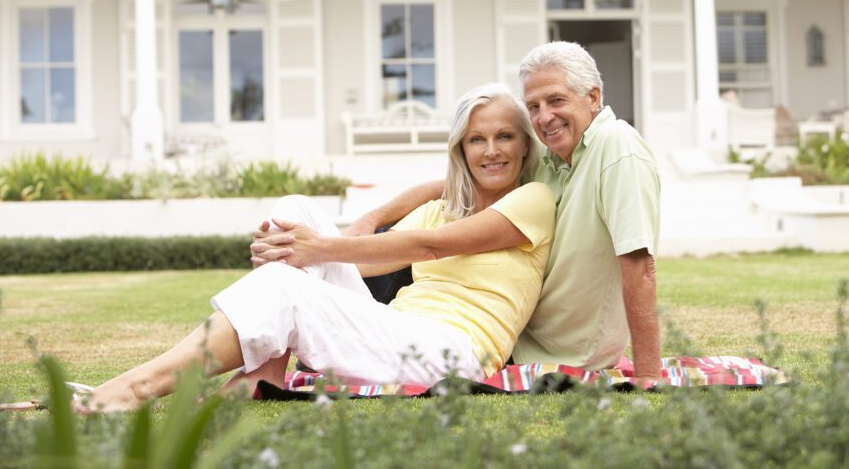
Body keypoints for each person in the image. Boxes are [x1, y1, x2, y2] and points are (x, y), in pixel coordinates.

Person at [81, 83, 555, 412]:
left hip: (454, 353)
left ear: (525, 145)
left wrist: (310, 254)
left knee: (288, 283)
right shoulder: (446, 207)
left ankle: (135, 387)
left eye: (504, 136)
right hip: (401, 329)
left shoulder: (532, 201)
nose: (491, 150)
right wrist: (293, 249)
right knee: (295, 209)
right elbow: (363, 258)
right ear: (461, 149)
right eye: (477, 139)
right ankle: (263, 374)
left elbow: (430, 247)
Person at [253, 42, 663, 382]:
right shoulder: (554, 161)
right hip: (504, 337)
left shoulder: (614, 145)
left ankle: (278, 350)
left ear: (593, 96)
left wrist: (649, 374)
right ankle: (269, 374)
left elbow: (639, 262)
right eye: (534, 106)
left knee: (304, 270)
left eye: (556, 100)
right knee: (294, 212)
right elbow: (458, 183)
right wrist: (371, 219)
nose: (544, 117)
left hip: (564, 351)